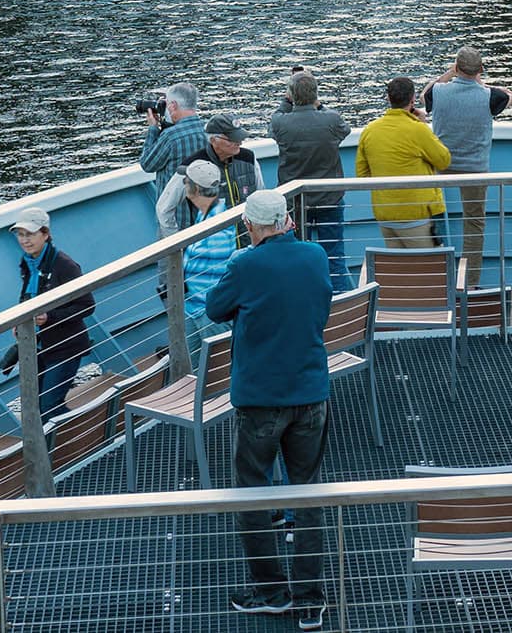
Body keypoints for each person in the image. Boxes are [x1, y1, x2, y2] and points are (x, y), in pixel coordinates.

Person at [203, 189, 334, 630]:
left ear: (250, 227)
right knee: (308, 492)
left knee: (254, 493)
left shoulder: (244, 265)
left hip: (261, 399)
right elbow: (321, 308)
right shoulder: (315, 256)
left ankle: (272, 591)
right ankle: (310, 598)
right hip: (310, 392)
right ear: (287, 219)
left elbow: (214, 309)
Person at [424, 46, 512, 278]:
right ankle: (471, 280)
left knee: (431, 215)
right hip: (475, 169)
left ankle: (435, 273)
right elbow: (511, 96)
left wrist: (449, 74)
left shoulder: (439, 91)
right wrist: (482, 83)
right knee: (474, 223)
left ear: (456, 67)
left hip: (441, 165)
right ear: (480, 69)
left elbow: (425, 92)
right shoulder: (490, 97)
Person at [5, 208, 94, 421]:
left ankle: (80, 437)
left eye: (30, 234)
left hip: (65, 346)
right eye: (20, 234)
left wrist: (50, 317)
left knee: (49, 405)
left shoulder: (65, 265)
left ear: (45, 234)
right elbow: (28, 295)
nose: (24, 240)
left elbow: (87, 305)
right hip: (39, 346)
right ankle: (56, 446)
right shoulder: (29, 262)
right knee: (35, 403)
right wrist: (20, 321)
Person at [271, 69, 351, 291]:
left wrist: (288, 101)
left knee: (294, 255)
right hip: (329, 199)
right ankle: (339, 304)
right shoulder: (331, 120)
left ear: (290, 95)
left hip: (295, 202)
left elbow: (277, 118)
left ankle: (300, 297)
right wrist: (318, 105)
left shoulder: (281, 123)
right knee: (334, 256)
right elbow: (344, 130)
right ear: (316, 95)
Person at [355, 77, 451, 248]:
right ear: (413, 99)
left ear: (388, 98)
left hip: (385, 214)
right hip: (417, 215)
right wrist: (422, 123)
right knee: (429, 268)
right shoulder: (418, 129)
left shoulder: (370, 131)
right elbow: (443, 160)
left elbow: (362, 174)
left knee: (398, 270)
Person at [179, 161, 237, 364]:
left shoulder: (219, 222)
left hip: (209, 310)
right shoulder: (206, 215)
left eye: (186, 181)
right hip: (194, 307)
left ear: (195, 188)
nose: (184, 184)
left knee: (216, 370)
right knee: (197, 370)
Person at [143, 82, 208, 230]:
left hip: (174, 218)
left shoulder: (171, 136)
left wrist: (153, 128)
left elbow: (147, 164)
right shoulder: (207, 130)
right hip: (202, 216)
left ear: (172, 106)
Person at [188, 114, 262, 209]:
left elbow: (260, 193)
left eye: (239, 138)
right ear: (213, 140)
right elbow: (166, 208)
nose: (239, 142)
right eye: (232, 139)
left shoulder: (249, 157)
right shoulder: (193, 165)